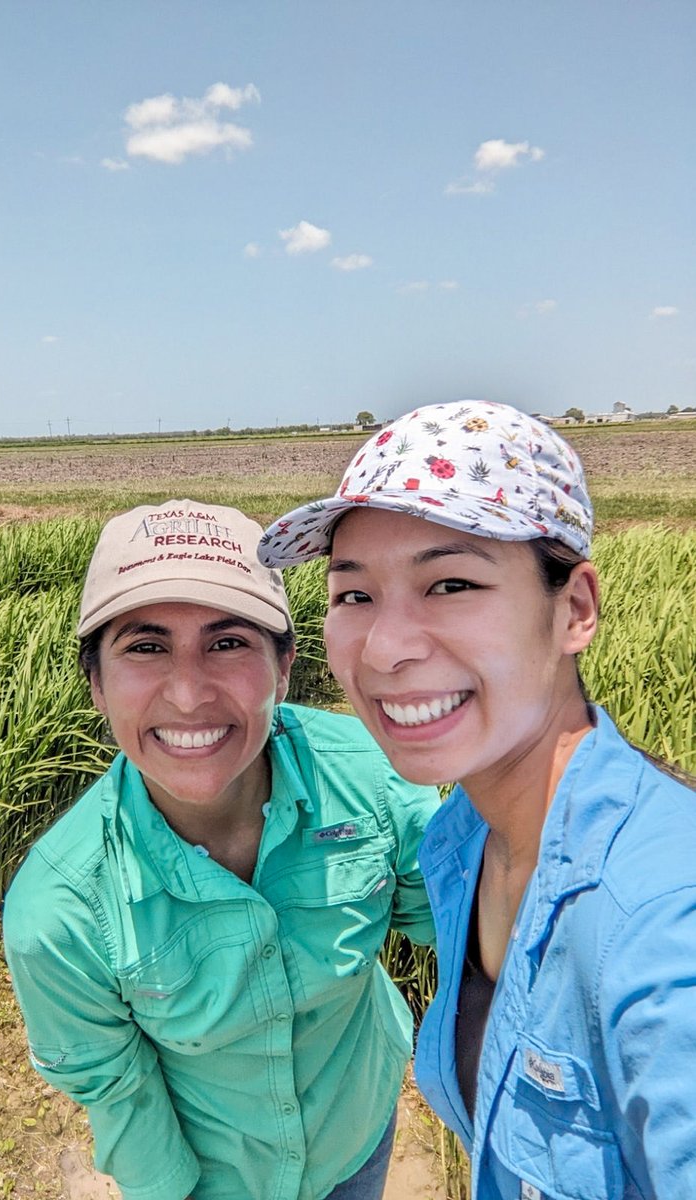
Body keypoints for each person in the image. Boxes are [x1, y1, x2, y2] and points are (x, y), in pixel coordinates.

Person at [259, 402, 696, 1199]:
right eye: (354, 595)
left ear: (575, 609)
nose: (385, 649)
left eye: (451, 583)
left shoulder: (665, 919)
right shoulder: (463, 840)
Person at [2, 499, 439, 1200]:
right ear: (95, 684)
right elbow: (119, 1092)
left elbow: (463, 926)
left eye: (228, 643)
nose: (187, 693)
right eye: (145, 647)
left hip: (358, 1127)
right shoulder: (58, 912)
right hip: (219, 1179)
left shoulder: (375, 779)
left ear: (286, 666)